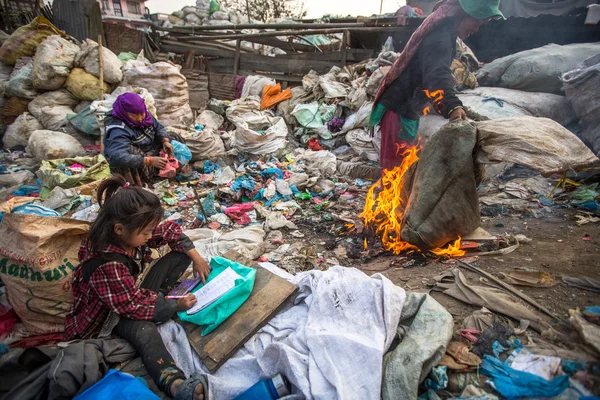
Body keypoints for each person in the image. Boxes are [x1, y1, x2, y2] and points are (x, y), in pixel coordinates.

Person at [64, 175, 211, 400]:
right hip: (109, 317)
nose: (150, 236)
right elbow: (129, 305)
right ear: (120, 229)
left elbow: (170, 232)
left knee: (181, 256)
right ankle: (174, 383)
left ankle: (158, 302)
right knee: (144, 329)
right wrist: (174, 306)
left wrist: (196, 257)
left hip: (130, 291)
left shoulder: (129, 235)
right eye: (146, 233)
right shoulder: (107, 263)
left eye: (151, 231)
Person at [372, 0, 505, 172]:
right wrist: (452, 106)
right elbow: (436, 76)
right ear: (463, 15)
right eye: (477, 22)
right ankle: (393, 199)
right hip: (398, 107)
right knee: (395, 173)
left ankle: (404, 198)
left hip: (408, 109)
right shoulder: (439, 35)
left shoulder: (446, 33)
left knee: (405, 169)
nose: (477, 29)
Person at [103, 93, 177, 186]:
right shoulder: (117, 129)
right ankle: (141, 183)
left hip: (149, 149)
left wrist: (164, 141)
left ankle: (164, 174)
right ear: (124, 113)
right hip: (137, 157)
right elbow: (117, 156)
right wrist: (148, 160)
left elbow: (159, 128)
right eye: (134, 115)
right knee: (131, 151)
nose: (140, 119)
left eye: (142, 114)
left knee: (172, 137)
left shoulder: (144, 113)